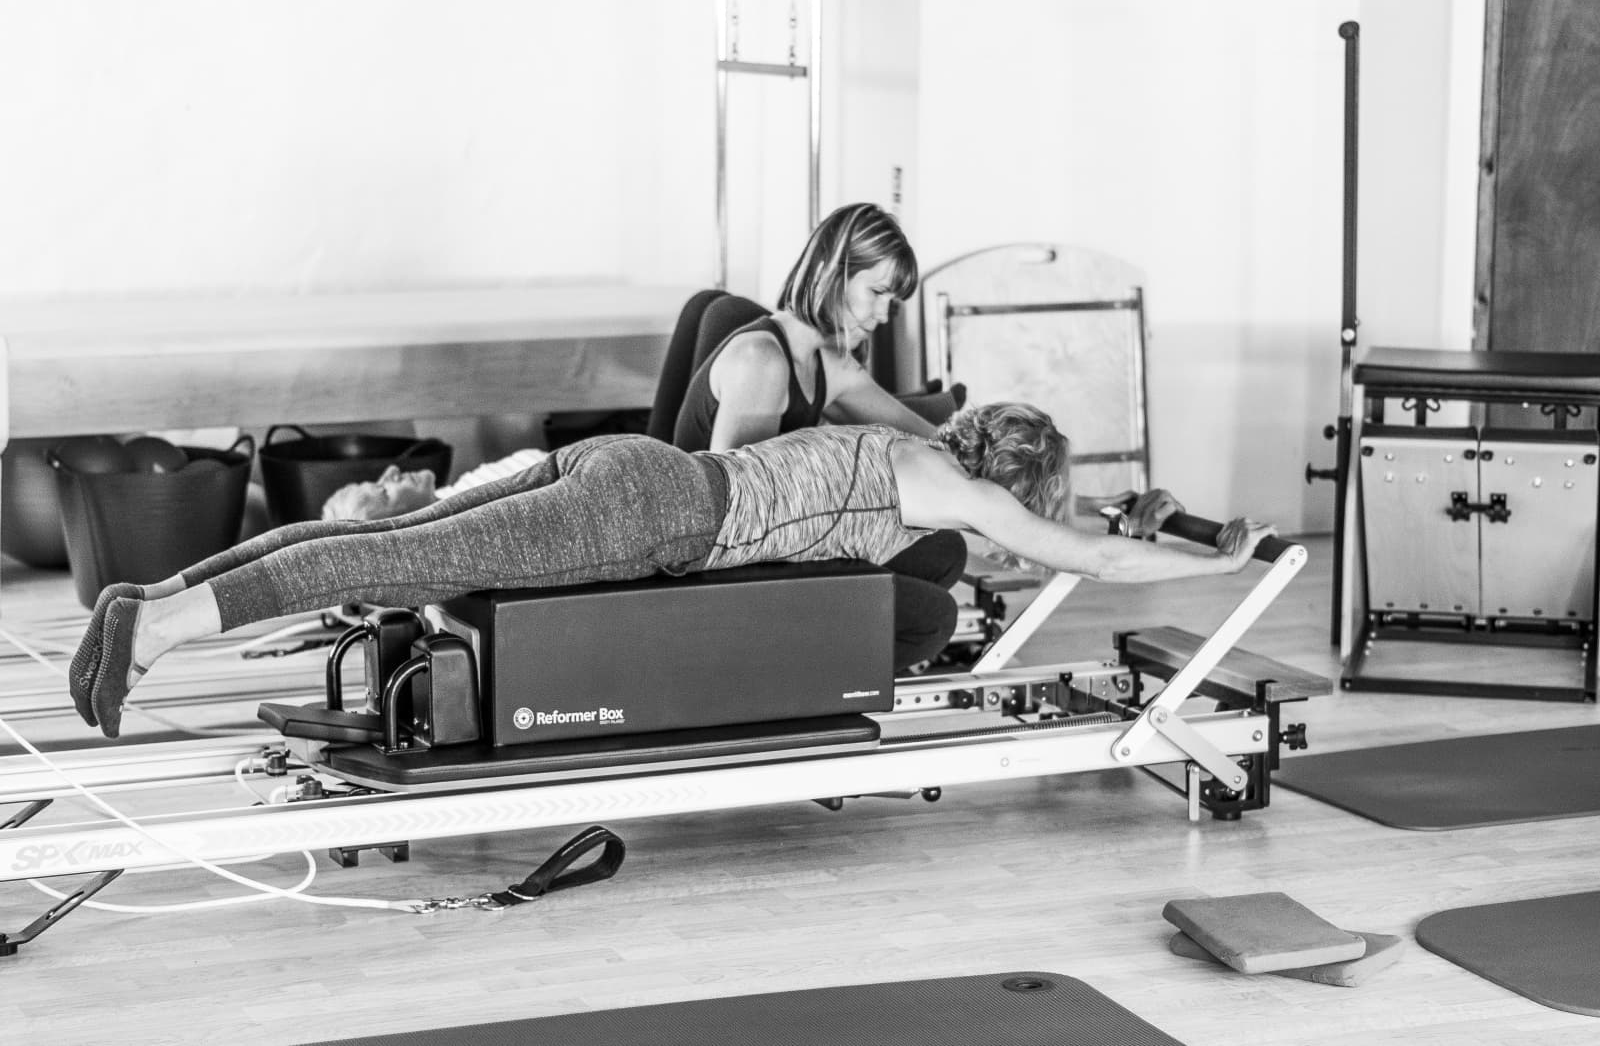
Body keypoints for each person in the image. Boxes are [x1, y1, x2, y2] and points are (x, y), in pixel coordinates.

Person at [69, 402, 1272, 740]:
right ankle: (171, 631)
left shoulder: (908, 443)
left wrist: (1157, 518)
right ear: (1011, 477)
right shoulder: (960, 498)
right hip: (654, 515)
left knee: (398, 541)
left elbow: (1065, 524)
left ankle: (157, 600)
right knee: (400, 561)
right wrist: (1215, 563)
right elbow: (1091, 552)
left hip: (634, 463)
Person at [673, 202, 1180, 671]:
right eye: (876, 292)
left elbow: (958, 457)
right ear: (832, 271)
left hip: (774, 537)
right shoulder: (760, 360)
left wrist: (1101, 507)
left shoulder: (828, 364)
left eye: (893, 299)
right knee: (932, 617)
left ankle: (826, 663)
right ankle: (789, 680)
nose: (884, 313)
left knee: (942, 552)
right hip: (718, 560)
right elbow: (739, 516)